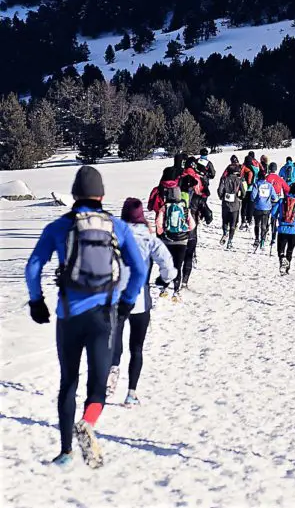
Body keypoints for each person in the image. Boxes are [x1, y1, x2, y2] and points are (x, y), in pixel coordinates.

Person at [25, 166, 147, 468]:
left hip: (69, 316)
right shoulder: (117, 227)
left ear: (75, 195)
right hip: (104, 315)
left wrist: (36, 302)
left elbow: (33, 268)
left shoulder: (58, 227)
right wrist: (127, 302)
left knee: (68, 382)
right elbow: (140, 270)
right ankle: (88, 423)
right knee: (97, 385)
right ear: (102, 195)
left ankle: (65, 452)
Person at [107, 198, 177, 407]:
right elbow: (168, 267)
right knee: (136, 347)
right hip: (140, 297)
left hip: (115, 296)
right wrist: (164, 279)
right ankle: (131, 394)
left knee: (114, 339)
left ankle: (112, 371)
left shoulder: (112, 236)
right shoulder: (149, 238)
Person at [155, 186, 194, 298]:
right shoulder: (185, 208)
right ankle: (176, 291)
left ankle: (164, 289)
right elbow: (192, 225)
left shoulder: (164, 208)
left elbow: (159, 224)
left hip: (168, 241)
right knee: (178, 265)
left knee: (167, 264)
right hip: (182, 242)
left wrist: (162, 233)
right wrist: (184, 231)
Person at [178, 174, 213, 288]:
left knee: (177, 257)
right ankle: (184, 281)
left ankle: (175, 281)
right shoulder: (197, 198)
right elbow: (208, 214)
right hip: (191, 233)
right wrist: (207, 219)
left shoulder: (174, 197)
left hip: (175, 234)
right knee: (189, 256)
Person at [272, 184, 295, 275]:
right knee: (290, 250)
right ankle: (287, 268)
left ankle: (282, 261)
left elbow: (273, 213)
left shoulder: (281, 201)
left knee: (280, 250)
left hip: (282, 229)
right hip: (294, 230)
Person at [217, 161, 245, 249]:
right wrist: (240, 197)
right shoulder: (238, 180)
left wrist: (221, 197)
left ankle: (225, 233)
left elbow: (220, 190)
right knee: (233, 223)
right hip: (235, 204)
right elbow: (243, 192)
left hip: (225, 203)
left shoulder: (224, 179)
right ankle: (230, 241)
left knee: (225, 220)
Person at [251, 171, 278, 251]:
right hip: (267, 208)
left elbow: (253, 196)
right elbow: (274, 197)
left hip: (258, 207)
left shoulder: (256, 184)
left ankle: (256, 239)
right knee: (264, 225)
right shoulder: (269, 185)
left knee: (257, 224)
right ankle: (262, 241)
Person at [239, 154, 259, 230]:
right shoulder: (255, 168)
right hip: (252, 189)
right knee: (251, 206)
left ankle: (243, 221)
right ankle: (249, 220)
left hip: (244, 188)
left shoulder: (243, 168)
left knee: (244, 205)